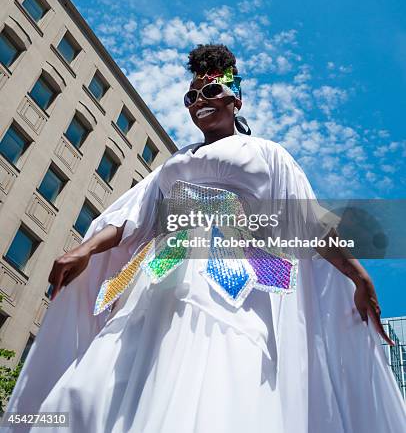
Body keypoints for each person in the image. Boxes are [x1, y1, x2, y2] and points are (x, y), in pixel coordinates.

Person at [5, 44, 406, 433]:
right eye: (191, 95)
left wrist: (358, 275)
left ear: (237, 100)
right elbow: (135, 218)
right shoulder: (176, 162)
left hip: (236, 284)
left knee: (219, 377)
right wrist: (84, 250)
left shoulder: (266, 153)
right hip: (159, 277)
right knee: (100, 385)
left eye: (212, 90)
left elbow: (308, 221)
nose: (200, 100)